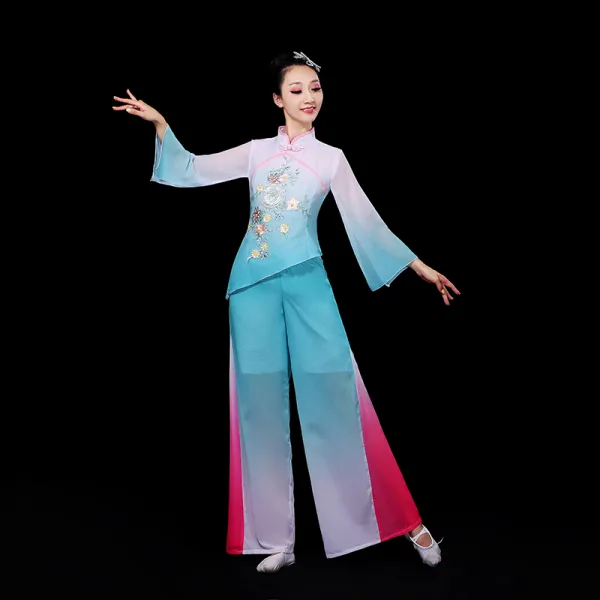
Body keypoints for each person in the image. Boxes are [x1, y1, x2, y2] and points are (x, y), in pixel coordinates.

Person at [113, 50, 460, 574]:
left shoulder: (332, 159)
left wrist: (419, 267)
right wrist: (162, 124)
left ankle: (405, 522)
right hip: (250, 286)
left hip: (306, 282)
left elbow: (365, 220)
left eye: (315, 88)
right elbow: (191, 169)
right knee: (256, 408)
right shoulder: (256, 152)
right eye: (296, 90)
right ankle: (277, 538)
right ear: (277, 99)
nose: (308, 97)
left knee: (340, 396)